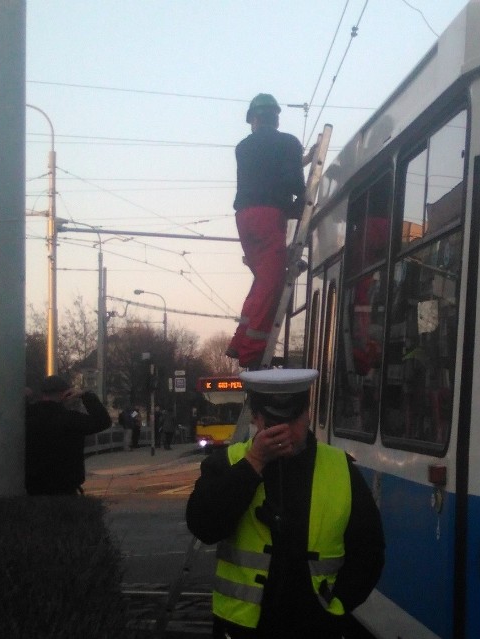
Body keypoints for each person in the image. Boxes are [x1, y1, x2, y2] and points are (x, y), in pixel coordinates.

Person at [186, 368, 385, 638]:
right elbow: (203, 526)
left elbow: (369, 550)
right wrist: (254, 463)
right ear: (256, 418)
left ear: (308, 414)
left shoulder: (340, 467)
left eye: (294, 421)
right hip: (242, 627)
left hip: (316, 627)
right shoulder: (228, 463)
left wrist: (337, 607)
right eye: (273, 423)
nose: (285, 432)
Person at [225, 93, 307, 368]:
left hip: (245, 218)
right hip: (268, 216)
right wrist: (303, 203)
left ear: (253, 119)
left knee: (263, 279)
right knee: (271, 283)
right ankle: (252, 352)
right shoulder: (287, 143)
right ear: (276, 116)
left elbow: (267, 175)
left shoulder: (243, 147)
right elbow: (295, 184)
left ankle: (240, 340)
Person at [25, 375, 112, 496]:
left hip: (31, 485)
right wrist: (85, 395)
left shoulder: (27, 416)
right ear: (66, 394)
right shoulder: (70, 419)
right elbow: (103, 421)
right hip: (65, 487)